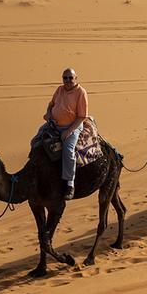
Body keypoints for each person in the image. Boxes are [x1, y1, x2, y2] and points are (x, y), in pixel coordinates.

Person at [38, 68, 89, 200]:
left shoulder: (81, 93)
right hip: (54, 124)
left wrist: (69, 131)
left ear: (75, 78)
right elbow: (51, 104)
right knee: (36, 140)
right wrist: (49, 113)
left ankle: (70, 183)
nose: (67, 81)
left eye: (70, 78)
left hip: (72, 126)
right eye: (65, 78)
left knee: (68, 150)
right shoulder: (60, 90)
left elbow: (82, 116)